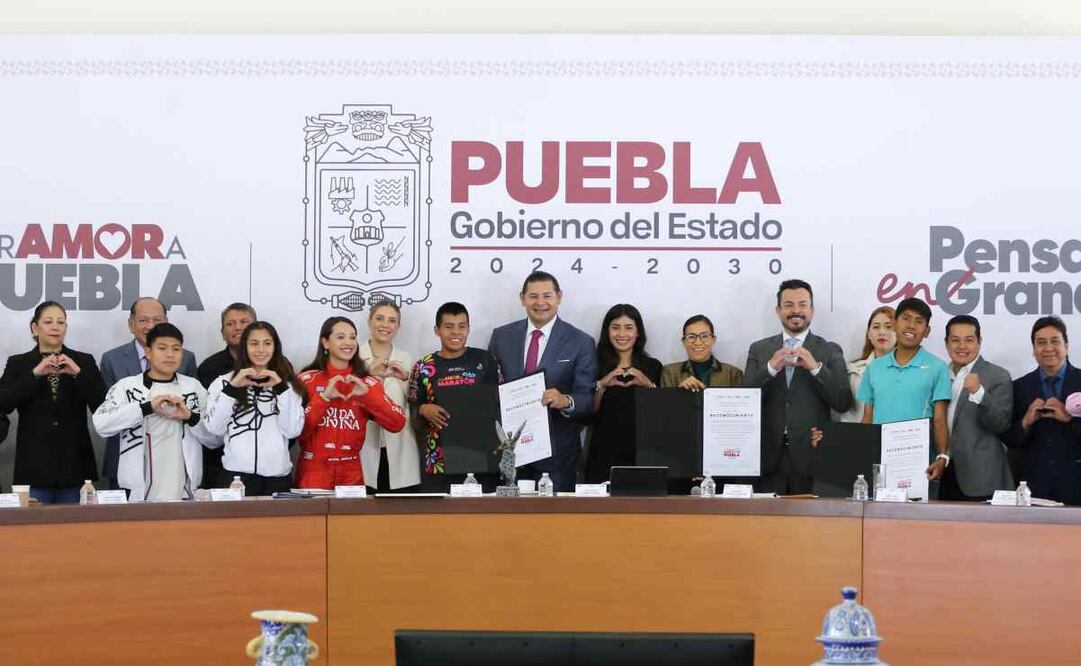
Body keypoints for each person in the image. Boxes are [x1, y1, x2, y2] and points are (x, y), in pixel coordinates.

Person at [488, 271, 595, 492]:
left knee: (555, 515)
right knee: (508, 513)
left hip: (558, 453)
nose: (540, 303)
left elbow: (587, 399)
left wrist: (565, 400)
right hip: (511, 450)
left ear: (559, 297)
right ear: (522, 298)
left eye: (547, 296)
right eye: (533, 296)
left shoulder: (581, 341)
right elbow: (490, 388)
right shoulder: (502, 336)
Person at [743, 279, 852, 494]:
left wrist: (816, 368)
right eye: (788, 305)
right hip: (766, 458)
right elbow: (744, 400)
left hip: (812, 456)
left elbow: (843, 402)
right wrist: (770, 368)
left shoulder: (829, 350)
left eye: (802, 304)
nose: (796, 311)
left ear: (812, 310)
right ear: (778, 310)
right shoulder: (759, 349)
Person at [0, 302, 106, 503]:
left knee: (76, 523)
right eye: (48, 322)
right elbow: (3, 403)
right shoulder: (18, 363)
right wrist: (34, 374)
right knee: (32, 524)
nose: (55, 327)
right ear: (35, 327)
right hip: (33, 468)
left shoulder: (83, 361)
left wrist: (78, 374)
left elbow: (102, 407)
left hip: (76, 467)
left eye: (61, 322)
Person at [92, 323, 207, 502]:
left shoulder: (193, 387)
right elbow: (101, 424)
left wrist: (190, 417)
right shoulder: (127, 386)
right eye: (162, 348)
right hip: (139, 491)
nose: (170, 354)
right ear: (148, 352)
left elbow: (213, 437)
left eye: (176, 349)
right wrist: (146, 408)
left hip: (184, 489)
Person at [296, 316, 407, 490]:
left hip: (351, 472)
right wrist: (324, 398)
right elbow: (298, 432)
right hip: (314, 470)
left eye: (352, 337)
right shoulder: (307, 380)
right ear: (325, 342)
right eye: (340, 337)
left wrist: (368, 397)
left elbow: (397, 423)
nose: (348, 342)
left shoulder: (366, 383)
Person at [857, 298, 952, 493]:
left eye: (919, 321)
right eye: (906, 318)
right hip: (879, 461)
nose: (911, 326)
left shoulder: (937, 367)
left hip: (919, 463)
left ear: (927, 331)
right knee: (878, 511)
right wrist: (859, 452)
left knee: (916, 512)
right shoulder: (874, 368)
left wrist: (942, 456)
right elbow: (867, 418)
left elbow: (940, 419)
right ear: (895, 324)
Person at [201, 322, 306, 496]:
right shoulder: (223, 382)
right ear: (245, 347)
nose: (261, 350)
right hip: (235, 477)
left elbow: (292, 430)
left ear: (275, 347)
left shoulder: (288, 385)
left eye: (267, 343)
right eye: (254, 343)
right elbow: (214, 428)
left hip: (276, 478)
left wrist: (280, 388)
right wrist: (232, 388)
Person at [408, 302, 502, 492]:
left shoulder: (486, 360)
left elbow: (501, 404)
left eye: (462, 326)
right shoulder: (423, 366)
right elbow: (411, 412)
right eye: (449, 326)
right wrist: (423, 409)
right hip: (439, 460)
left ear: (468, 328)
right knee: (439, 511)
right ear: (437, 330)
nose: (456, 332)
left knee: (484, 510)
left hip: (481, 456)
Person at [1005, 316, 1081, 505]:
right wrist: (1026, 422)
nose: (1048, 348)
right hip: (1033, 488)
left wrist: (1069, 419)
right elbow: (1009, 439)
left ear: (1066, 346)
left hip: (1076, 485)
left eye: (1055, 341)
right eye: (1041, 343)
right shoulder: (1019, 387)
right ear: (1033, 350)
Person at [583, 304, 662, 483]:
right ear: (607, 331)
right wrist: (602, 384)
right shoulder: (593, 365)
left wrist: (648, 384)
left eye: (629, 328)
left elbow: (661, 417)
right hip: (602, 452)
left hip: (644, 453)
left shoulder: (653, 366)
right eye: (615, 327)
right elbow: (587, 414)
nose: (622, 334)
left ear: (638, 332)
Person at [939, 315, 1013, 501]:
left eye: (969, 340)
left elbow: (1001, 424)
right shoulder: (939, 374)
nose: (962, 346)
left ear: (979, 342)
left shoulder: (998, 375)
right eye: (955, 340)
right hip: (941, 472)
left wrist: (979, 393)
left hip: (981, 477)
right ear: (946, 343)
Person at [358, 301, 420, 492]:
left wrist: (407, 378)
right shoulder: (354, 356)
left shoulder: (407, 358)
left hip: (400, 447)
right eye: (379, 318)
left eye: (392, 320)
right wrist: (369, 374)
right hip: (364, 446)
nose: (385, 325)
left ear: (398, 326)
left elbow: (417, 401)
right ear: (369, 322)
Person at [195, 303, 257, 488]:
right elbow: (205, 416)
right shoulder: (209, 367)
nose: (238, 327)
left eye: (244, 322)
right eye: (230, 324)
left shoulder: (277, 365)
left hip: (265, 463)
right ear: (222, 333)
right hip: (218, 460)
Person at [837, 306, 896, 423]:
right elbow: (847, 415)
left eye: (889, 327)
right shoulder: (853, 370)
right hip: (861, 433)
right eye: (876, 327)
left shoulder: (911, 370)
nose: (882, 332)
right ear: (868, 334)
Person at [659, 314, 743, 390]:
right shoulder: (670, 373)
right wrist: (679, 392)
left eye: (704, 336)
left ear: (713, 340)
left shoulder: (733, 374)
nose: (698, 342)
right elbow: (665, 402)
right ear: (684, 341)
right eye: (691, 337)